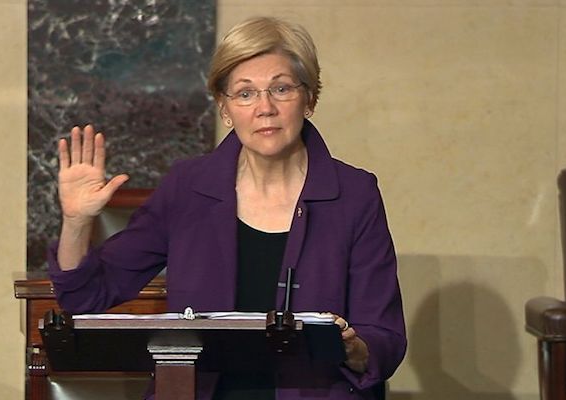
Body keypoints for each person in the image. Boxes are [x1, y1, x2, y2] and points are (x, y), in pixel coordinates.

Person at [48, 16, 406, 400]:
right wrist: (76, 222)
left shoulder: (354, 193)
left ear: (309, 99)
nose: (264, 108)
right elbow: (84, 297)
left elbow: (384, 339)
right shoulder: (187, 187)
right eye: (246, 93)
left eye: (281, 89)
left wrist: (351, 347)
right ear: (225, 108)